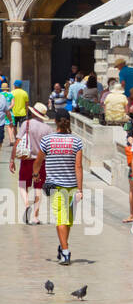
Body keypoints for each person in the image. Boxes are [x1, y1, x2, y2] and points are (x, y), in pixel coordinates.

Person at [35, 112, 83, 265]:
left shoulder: (47, 140)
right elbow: (79, 166)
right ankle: (63, 247)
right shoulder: (76, 141)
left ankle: (65, 251)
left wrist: (35, 174)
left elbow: (38, 160)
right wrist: (80, 189)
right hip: (72, 186)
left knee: (62, 220)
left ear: (55, 122)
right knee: (67, 220)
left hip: (55, 186)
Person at [13, 102, 53, 225]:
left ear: (33, 112)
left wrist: (11, 159)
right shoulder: (48, 128)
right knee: (38, 187)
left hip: (26, 159)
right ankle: (35, 216)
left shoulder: (27, 123)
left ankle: (26, 205)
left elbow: (18, 141)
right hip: (41, 161)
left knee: (22, 184)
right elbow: (50, 148)